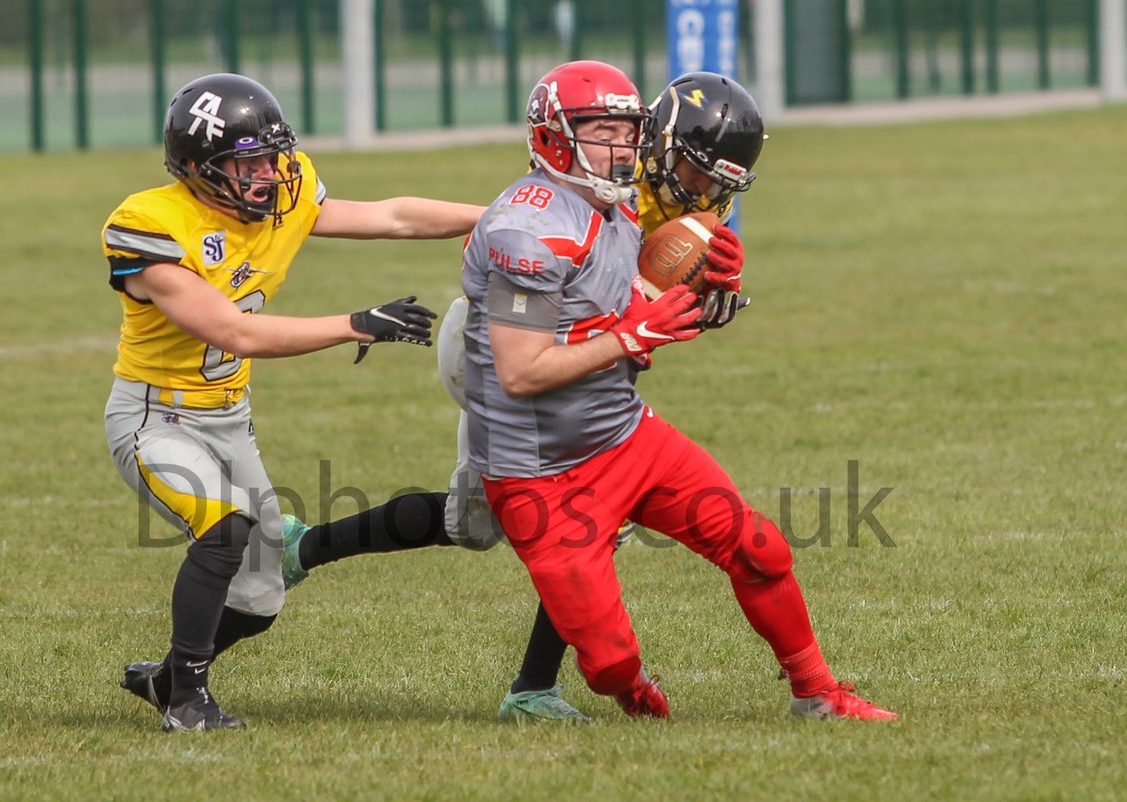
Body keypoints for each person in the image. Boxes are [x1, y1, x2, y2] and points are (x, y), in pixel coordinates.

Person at [456, 59, 897, 722]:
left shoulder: (620, 204)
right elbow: (522, 371)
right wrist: (635, 337)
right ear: (553, 136)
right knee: (608, 665)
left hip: (623, 433)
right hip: (539, 469)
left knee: (759, 547)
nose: (623, 146)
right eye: (602, 130)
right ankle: (619, 686)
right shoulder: (527, 229)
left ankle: (819, 694)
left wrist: (708, 292)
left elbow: (632, 298)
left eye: (628, 129)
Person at [104, 72, 483, 732]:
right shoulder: (149, 225)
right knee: (223, 529)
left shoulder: (286, 192)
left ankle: (168, 679)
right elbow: (234, 331)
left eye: (271, 157)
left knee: (260, 595)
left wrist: (500, 218)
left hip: (228, 418)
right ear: (195, 169)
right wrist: (354, 323)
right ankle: (188, 704)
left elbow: (391, 216)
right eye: (245, 163)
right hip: (155, 418)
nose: (268, 176)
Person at [432, 70, 764, 722]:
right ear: (661, 142)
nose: (705, 194)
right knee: (488, 524)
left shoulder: (699, 200)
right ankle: (308, 548)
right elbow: (534, 258)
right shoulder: (604, 168)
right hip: (508, 348)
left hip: (586, 356)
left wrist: (708, 299)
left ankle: (531, 689)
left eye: (717, 184)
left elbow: (651, 291)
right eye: (697, 175)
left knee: (553, 523)